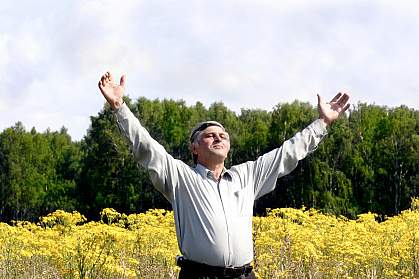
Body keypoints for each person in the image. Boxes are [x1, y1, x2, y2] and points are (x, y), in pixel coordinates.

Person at [98, 71, 350, 279]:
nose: (219, 137)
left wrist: (322, 123)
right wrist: (119, 107)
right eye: (210, 135)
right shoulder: (181, 178)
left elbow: (289, 152)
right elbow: (146, 146)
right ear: (194, 148)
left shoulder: (247, 175)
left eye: (223, 135)